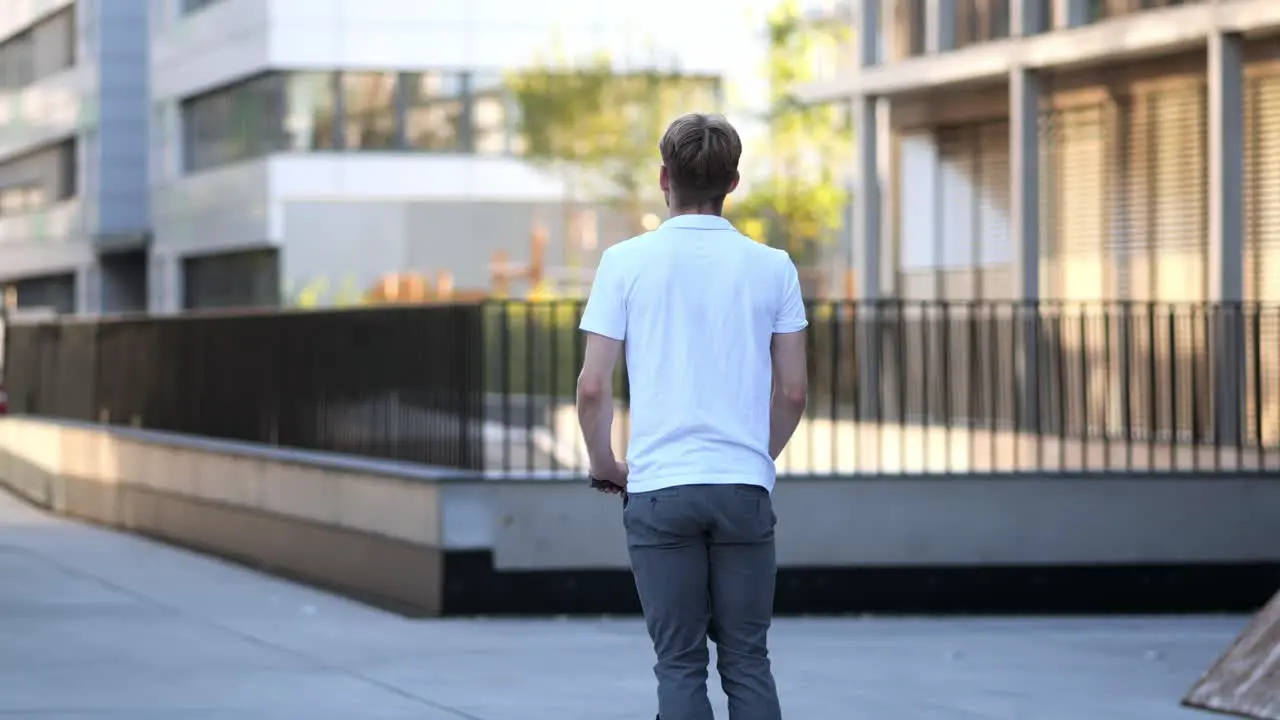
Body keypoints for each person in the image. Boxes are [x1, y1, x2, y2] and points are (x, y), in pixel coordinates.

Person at [574, 112, 809, 720]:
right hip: (742, 489)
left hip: (659, 489)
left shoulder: (624, 262)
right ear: (732, 182)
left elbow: (593, 387)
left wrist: (606, 465)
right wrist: (752, 457)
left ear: (663, 178)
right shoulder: (773, 267)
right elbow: (792, 394)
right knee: (747, 659)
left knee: (678, 663)